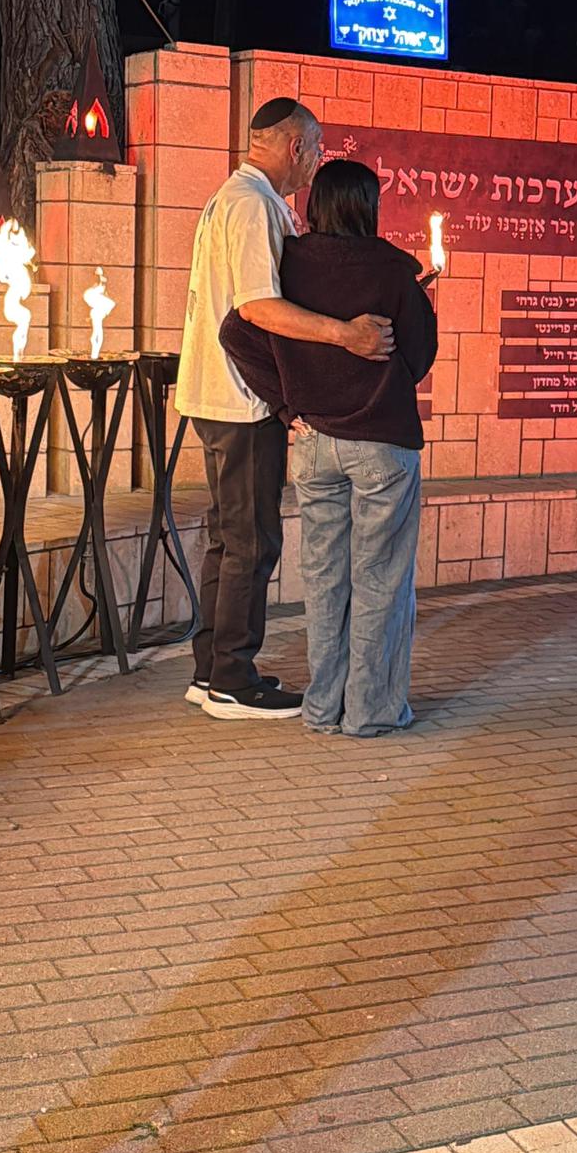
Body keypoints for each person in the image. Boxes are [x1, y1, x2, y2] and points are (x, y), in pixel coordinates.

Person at [175, 98, 393, 722]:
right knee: (250, 542)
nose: (317, 162)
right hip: (241, 400)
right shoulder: (252, 204)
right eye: (317, 149)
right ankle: (232, 681)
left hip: (218, 394)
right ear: (296, 146)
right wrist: (344, 334)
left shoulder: (235, 196)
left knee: (229, 538)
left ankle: (212, 670)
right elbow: (257, 307)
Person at [220, 159, 437, 737]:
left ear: (315, 205)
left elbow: (235, 331)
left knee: (324, 580)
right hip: (382, 444)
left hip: (314, 443)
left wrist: (285, 403)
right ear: (369, 206)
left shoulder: (286, 264)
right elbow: (419, 357)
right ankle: (370, 711)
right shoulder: (392, 269)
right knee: (380, 579)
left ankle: (322, 708)